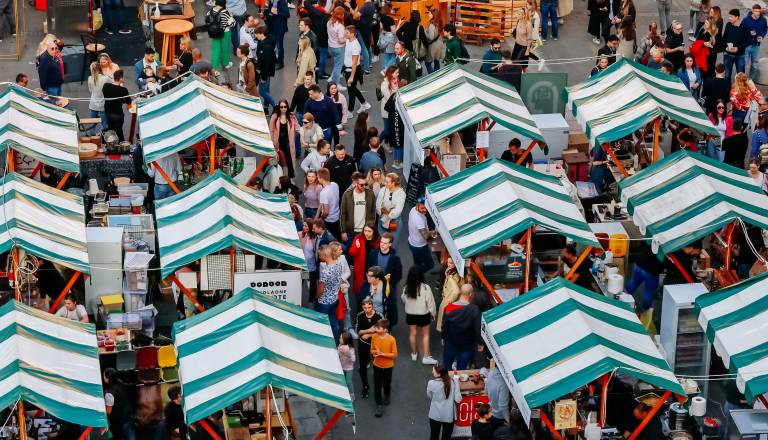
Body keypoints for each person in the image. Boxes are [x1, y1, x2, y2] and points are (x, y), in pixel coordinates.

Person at [442, 283, 482, 370]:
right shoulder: (474, 310)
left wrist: (443, 337)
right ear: (470, 294)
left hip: (451, 341)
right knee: (462, 368)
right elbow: (477, 328)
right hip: (467, 344)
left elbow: (445, 325)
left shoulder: (449, 307)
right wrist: (480, 342)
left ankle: (447, 381)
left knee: (447, 366)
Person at [402, 266, 437, 364]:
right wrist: (433, 313)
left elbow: (403, 299)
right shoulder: (426, 288)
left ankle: (414, 353)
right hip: (423, 315)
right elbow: (430, 303)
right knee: (425, 335)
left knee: (413, 333)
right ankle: (426, 357)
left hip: (410, 314)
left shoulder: (406, 287)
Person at [355, 296, 383, 399]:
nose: (367, 310)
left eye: (369, 307)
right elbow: (358, 332)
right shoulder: (360, 316)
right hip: (363, 344)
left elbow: (383, 332)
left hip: (376, 345)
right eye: (365, 308)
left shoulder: (379, 316)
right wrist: (370, 330)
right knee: (362, 367)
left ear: (373, 306)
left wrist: (369, 335)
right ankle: (365, 386)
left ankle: (378, 386)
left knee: (377, 366)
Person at [624, 243, 665, 312]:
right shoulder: (666, 250)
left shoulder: (654, 241)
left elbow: (642, 247)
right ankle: (645, 311)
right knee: (648, 292)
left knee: (633, 284)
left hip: (639, 266)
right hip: (651, 273)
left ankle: (623, 298)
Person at [427, 364, 463, 440]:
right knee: (446, 437)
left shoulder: (431, 383)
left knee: (434, 436)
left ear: (439, 374)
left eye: (433, 371)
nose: (432, 372)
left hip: (434, 415)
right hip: (448, 416)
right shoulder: (453, 382)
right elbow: (458, 399)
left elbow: (429, 396)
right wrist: (456, 383)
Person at [340, 171, 376, 246]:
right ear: (356, 183)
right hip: (351, 231)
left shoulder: (370, 194)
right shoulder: (347, 194)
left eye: (366, 184)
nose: (364, 187)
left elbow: (373, 213)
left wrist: (371, 229)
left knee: (365, 253)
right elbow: (343, 214)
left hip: (365, 231)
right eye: (362, 185)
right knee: (350, 253)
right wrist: (343, 231)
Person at [370, 318, 397, 417]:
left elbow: (394, 354)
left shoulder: (391, 339)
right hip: (377, 365)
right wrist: (375, 352)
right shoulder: (374, 337)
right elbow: (371, 350)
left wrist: (382, 354)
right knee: (377, 386)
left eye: (378, 327)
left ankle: (387, 395)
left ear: (385, 329)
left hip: (388, 367)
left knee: (386, 383)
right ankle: (379, 405)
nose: (376, 328)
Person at [316, 244, 343, 343]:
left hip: (324, 302)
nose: (319, 257)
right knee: (333, 322)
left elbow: (320, 290)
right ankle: (336, 342)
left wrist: (317, 298)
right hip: (335, 299)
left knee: (321, 324)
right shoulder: (339, 264)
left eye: (320, 255)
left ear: (325, 255)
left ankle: (322, 342)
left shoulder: (325, 271)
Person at [343, 25, 371, 114]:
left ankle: (350, 111)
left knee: (351, 91)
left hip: (352, 70)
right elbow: (341, 40)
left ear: (352, 34)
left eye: (346, 33)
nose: (345, 34)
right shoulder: (348, 40)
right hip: (348, 69)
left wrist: (351, 77)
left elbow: (354, 63)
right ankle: (364, 103)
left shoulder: (355, 46)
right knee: (352, 89)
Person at [270, 99, 299, 178]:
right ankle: (278, 176)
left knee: (289, 159)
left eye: (285, 107)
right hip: (277, 142)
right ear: (279, 108)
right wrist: (272, 142)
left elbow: (297, 127)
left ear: (287, 107)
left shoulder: (291, 116)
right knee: (278, 159)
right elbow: (271, 130)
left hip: (288, 142)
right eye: (281, 107)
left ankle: (289, 177)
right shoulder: (275, 117)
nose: (283, 108)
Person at [349, 222, 379, 293]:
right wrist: (357, 247)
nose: (366, 233)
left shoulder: (378, 240)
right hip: (361, 267)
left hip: (372, 266)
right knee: (360, 288)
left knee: (372, 288)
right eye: (365, 230)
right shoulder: (358, 238)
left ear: (374, 231)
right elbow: (351, 253)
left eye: (369, 231)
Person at [102, 69, 131, 142]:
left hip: (107, 112)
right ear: (120, 78)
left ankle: (110, 143)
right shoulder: (123, 90)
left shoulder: (106, 86)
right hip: (117, 114)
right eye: (123, 77)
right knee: (119, 131)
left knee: (111, 129)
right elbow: (129, 102)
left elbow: (109, 95)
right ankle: (121, 145)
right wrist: (123, 101)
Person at [408, 198, 436, 271]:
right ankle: (416, 275)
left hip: (412, 242)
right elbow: (426, 236)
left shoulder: (413, 209)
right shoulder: (419, 220)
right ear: (417, 206)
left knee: (417, 263)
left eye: (426, 208)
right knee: (430, 265)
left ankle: (416, 275)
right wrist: (434, 231)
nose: (425, 210)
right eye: (422, 208)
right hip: (420, 246)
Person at [376, 173, 406, 240]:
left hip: (394, 222)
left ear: (393, 183)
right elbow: (378, 204)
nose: (385, 183)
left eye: (387, 182)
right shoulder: (383, 189)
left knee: (392, 242)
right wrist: (380, 211)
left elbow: (398, 210)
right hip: (382, 220)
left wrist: (388, 213)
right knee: (381, 240)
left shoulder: (401, 194)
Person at [207, 0, 235, 71]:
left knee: (215, 49)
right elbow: (232, 24)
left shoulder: (210, 12)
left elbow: (207, 21)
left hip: (214, 33)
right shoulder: (225, 12)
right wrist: (231, 16)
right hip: (225, 33)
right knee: (225, 49)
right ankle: (226, 64)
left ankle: (214, 67)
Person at [103, 368, 131, 440]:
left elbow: (108, 412)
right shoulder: (121, 382)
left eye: (104, 376)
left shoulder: (109, 394)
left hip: (117, 420)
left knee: (117, 435)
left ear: (107, 379)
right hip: (126, 414)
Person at [436, 258, 463, 331]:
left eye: (451, 263)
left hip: (449, 299)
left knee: (446, 320)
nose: (448, 265)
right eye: (448, 262)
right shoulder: (451, 271)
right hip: (448, 296)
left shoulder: (454, 277)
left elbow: (456, 291)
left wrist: (449, 301)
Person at [254, 26, 277, 111]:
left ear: (261, 34)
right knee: (266, 91)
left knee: (262, 92)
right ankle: (266, 108)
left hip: (264, 72)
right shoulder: (262, 41)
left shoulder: (266, 47)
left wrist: (263, 77)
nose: (255, 36)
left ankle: (275, 106)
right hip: (265, 71)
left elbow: (266, 64)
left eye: (256, 34)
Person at [742, 4, 767, 80]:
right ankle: (742, 80)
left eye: (759, 11)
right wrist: (748, 33)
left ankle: (751, 80)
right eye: (756, 11)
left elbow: (765, 29)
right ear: (752, 10)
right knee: (744, 63)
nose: (757, 13)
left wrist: (761, 36)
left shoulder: (763, 20)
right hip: (746, 45)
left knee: (754, 64)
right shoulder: (746, 20)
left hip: (756, 45)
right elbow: (741, 31)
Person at [485, 356, 511, 429]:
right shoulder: (503, 383)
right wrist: (508, 421)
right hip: (500, 416)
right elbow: (503, 406)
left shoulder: (491, 372)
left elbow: (486, 390)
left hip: (492, 411)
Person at [723, 9, 749, 82]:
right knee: (727, 75)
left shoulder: (744, 27)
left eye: (731, 17)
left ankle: (741, 92)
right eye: (729, 16)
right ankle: (727, 91)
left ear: (737, 17)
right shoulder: (728, 25)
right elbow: (724, 37)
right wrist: (725, 49)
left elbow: (748, 41)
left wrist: (738, 48)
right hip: (727, 55)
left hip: (740, 56)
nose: (729, 18)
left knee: (740, 77)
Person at [317, 167, 341, 238]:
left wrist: (320, 219)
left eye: (318, 177)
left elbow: (326, 212)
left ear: (321, 178)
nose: (317, 179)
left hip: (329, 221)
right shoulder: (335, 184)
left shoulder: (323, 193)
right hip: (337, 217)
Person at [265, 0, 290, 69]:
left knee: (279, 46)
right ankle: (275, 60)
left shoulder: (281, 2)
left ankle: (280, 63)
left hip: (279, 28)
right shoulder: (270, 2)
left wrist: (277, 13)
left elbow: (287, 14)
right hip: (272, 28)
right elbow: (268, 13)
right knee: (273, 45)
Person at [87, 62, 111, 132]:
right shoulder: (106, 78)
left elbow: (90, 90)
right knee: (105, 124)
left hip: (93, 103)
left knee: (92, 124)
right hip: (103, 104)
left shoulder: (89, 78)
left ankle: (93, 137)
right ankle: (102, 136)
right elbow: (112, 83)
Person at [328, 7, 347, 86]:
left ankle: (332, 77)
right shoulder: (340, 26)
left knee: (336, 64)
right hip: (339, 47)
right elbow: (340, 40)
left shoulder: (329, 22)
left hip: (331, 46)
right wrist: (348, 39)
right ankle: (336, 84)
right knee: (338, 66)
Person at [424, 8, 444, 73]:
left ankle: (432, 76)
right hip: (439, 44)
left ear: (433, 15)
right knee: (436, 61)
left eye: (429, 13)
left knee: (427, 63)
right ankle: (437, 75)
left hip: (433, 46)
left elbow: (431, 37)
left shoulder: (432, 24)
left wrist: (425, 32)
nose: (428, 15)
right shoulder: (439, 22)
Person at [338, 331, 356, 399]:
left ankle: (352, 394)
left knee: (348, 381)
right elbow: (338, 354)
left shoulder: (351, 349)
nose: (339, 339)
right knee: (343, 381)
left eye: (341, 338)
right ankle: (344, 392)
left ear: (346, 340)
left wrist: (347, 353)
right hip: (342, 367)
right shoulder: (340, 346)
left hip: (349, 368)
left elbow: (353, 360)